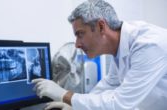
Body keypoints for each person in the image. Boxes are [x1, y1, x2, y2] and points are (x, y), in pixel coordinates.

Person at [32, 0, 167, 110]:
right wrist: (74, 106)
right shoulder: (119, 46)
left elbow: (119, 103)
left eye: (80, 34)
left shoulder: (148, 45)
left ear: (101, 26)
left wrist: (63, 94)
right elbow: (110, 84)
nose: (77, 44)